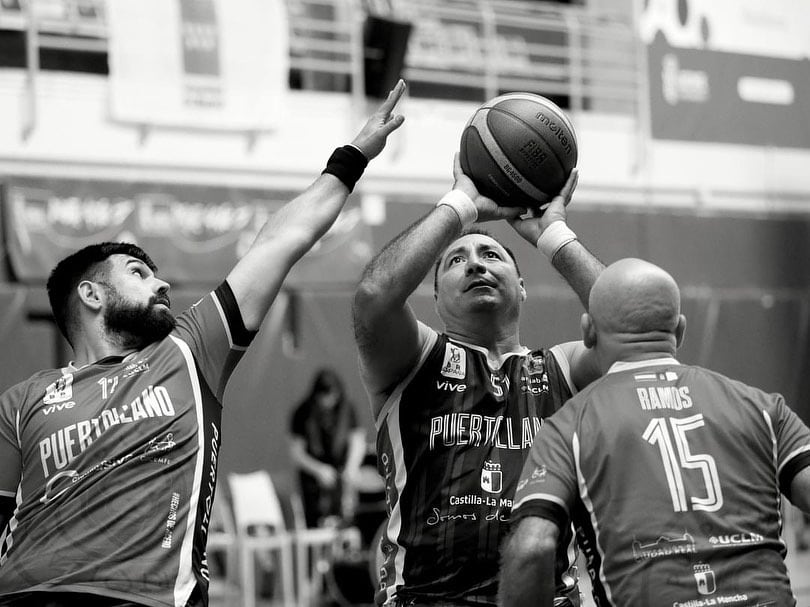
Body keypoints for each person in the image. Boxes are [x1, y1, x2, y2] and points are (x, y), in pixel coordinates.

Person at [0, 80, 407, 607]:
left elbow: (279, 241)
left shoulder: (189, 353)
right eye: (139, 272)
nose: (162, 283)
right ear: (91, 294)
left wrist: (352, 157)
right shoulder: (20, 401)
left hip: (144, 600)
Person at [352, 155, 605, 606]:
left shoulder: (562, 367)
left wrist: (553, 235)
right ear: (434, 296)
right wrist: (460, 205)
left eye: (491, 255)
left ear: (522, 287)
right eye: (456, 260)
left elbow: (631, 320)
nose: (475, 265)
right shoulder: (416, 358)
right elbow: (374, 296)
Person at [501, 258, 810, 607]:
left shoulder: (568, 423)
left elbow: (532, 548)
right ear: (679, 329)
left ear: (588, 332)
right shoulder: (762, 407)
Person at [290, 368, 366, 528]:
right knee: (316, 524)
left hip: (342, 475)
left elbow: (357, 440)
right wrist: (318, 470)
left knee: (348, 519)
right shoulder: (302, 412)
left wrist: (351, 468)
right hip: (314, 482)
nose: (328, 403)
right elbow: (296, 452)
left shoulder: (347, 409)